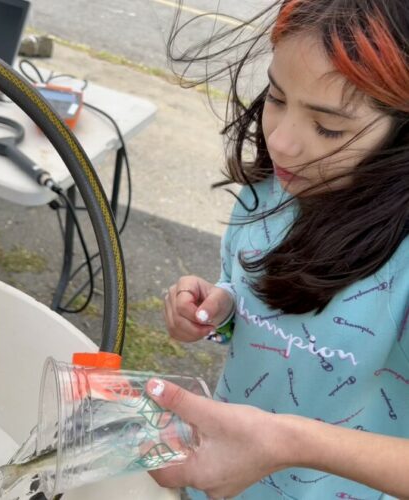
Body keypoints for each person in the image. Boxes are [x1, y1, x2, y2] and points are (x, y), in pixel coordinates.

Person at [147, 0, 408, 499]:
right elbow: (262, 301)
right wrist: (220, 306)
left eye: (328, 126)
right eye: (277, 97)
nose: (283, 142)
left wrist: (290, 441)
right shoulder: (270, 193)